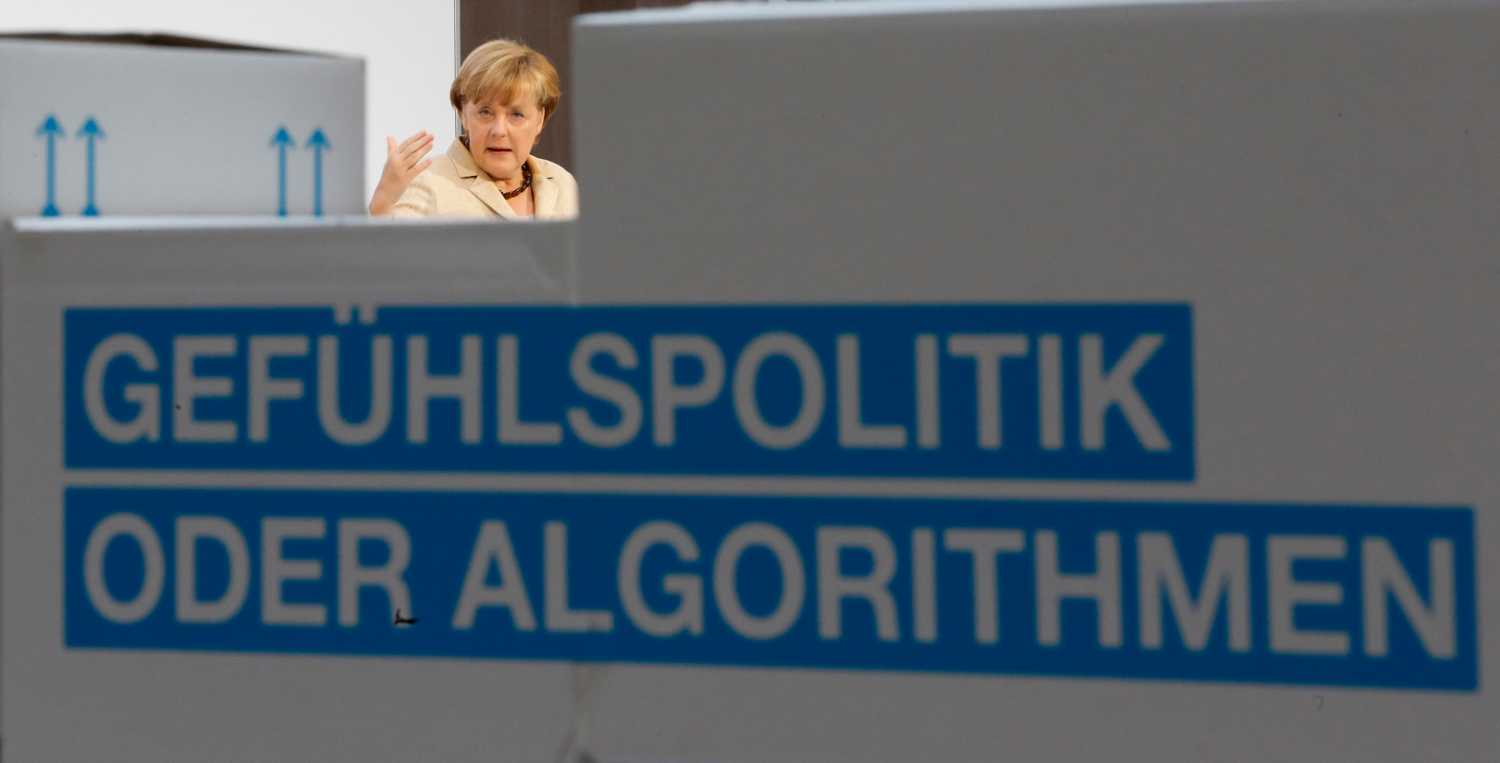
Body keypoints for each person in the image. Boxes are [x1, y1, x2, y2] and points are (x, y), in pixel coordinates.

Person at [369, 39, 578, 220]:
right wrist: (384, 204)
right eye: (485, 112)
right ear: (463, 114)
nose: (499, 131)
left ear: (539, 119)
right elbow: (390, 258)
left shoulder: (562, 182)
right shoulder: (428, 184)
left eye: (516, 114)